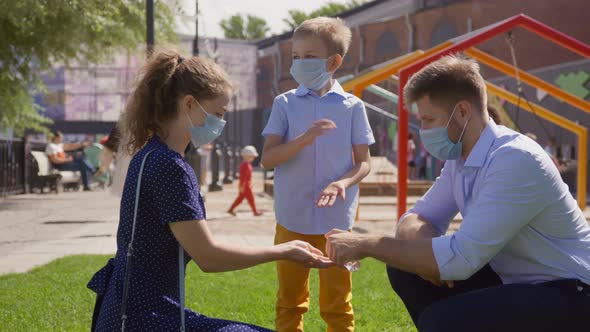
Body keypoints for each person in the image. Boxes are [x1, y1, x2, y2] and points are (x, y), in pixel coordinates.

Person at [323, 55, 590, 332]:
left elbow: (461, 260)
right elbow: (413, 219)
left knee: (443, 319)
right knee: (406, 268)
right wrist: (432, 260)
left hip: (573, 290)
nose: (423, 131)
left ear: (462, 112)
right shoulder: (461, 158)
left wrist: (366, 244)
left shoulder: (515, 159)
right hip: (518, 281)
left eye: (428, 120)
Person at [87, 48, 332, 332]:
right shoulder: (170, 166)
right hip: (144, 320)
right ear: (189, 104)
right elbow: (209, 256)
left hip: (125, 313)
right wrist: (283, 250)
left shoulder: (149, 155)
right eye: (218, 113)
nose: (220, 123)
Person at [261, 17, 374, 332]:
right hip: (291, 217)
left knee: (339, 303)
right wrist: (303, 140)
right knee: (289, 300)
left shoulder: (353, 107)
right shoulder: (284, 104)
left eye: (308, 57)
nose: (299, 64)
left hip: (337, 223)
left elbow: (364, 162)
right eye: (295, 57)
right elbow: (268, 158)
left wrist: (342, 182)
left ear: (334, 61)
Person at [228, 145, 263, 217]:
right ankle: (255, 211)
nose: (253, 158)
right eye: (252, 156)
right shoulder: (246, 165)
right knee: (251, 199)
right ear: (248, 156)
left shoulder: (246, 164)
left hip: (246, 185)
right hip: (246, 186)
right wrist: (243, 186)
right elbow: (243, 177)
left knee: (240, 199)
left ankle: (231, 209)